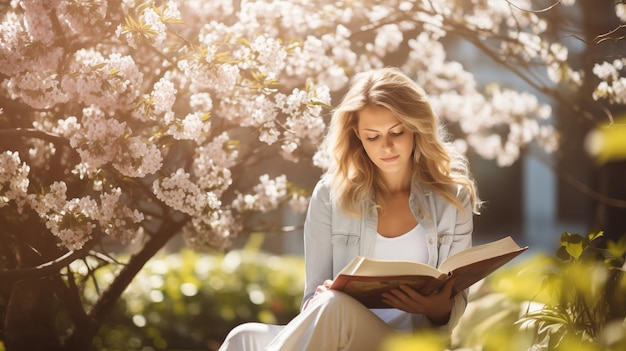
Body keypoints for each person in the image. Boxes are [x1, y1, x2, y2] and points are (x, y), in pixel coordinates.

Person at [218, 67, 481, 351]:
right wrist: (317, 298)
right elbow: (312, 298)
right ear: (357, 136)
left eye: (396, 132)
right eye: (372, 136)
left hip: (406, 344)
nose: (387, 146)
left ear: (416, 127)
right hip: (341, 331)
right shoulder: (330, 195)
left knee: (334, 306)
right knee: (243, 337)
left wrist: (438, 308)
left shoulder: (452, 198)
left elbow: (453, 309)